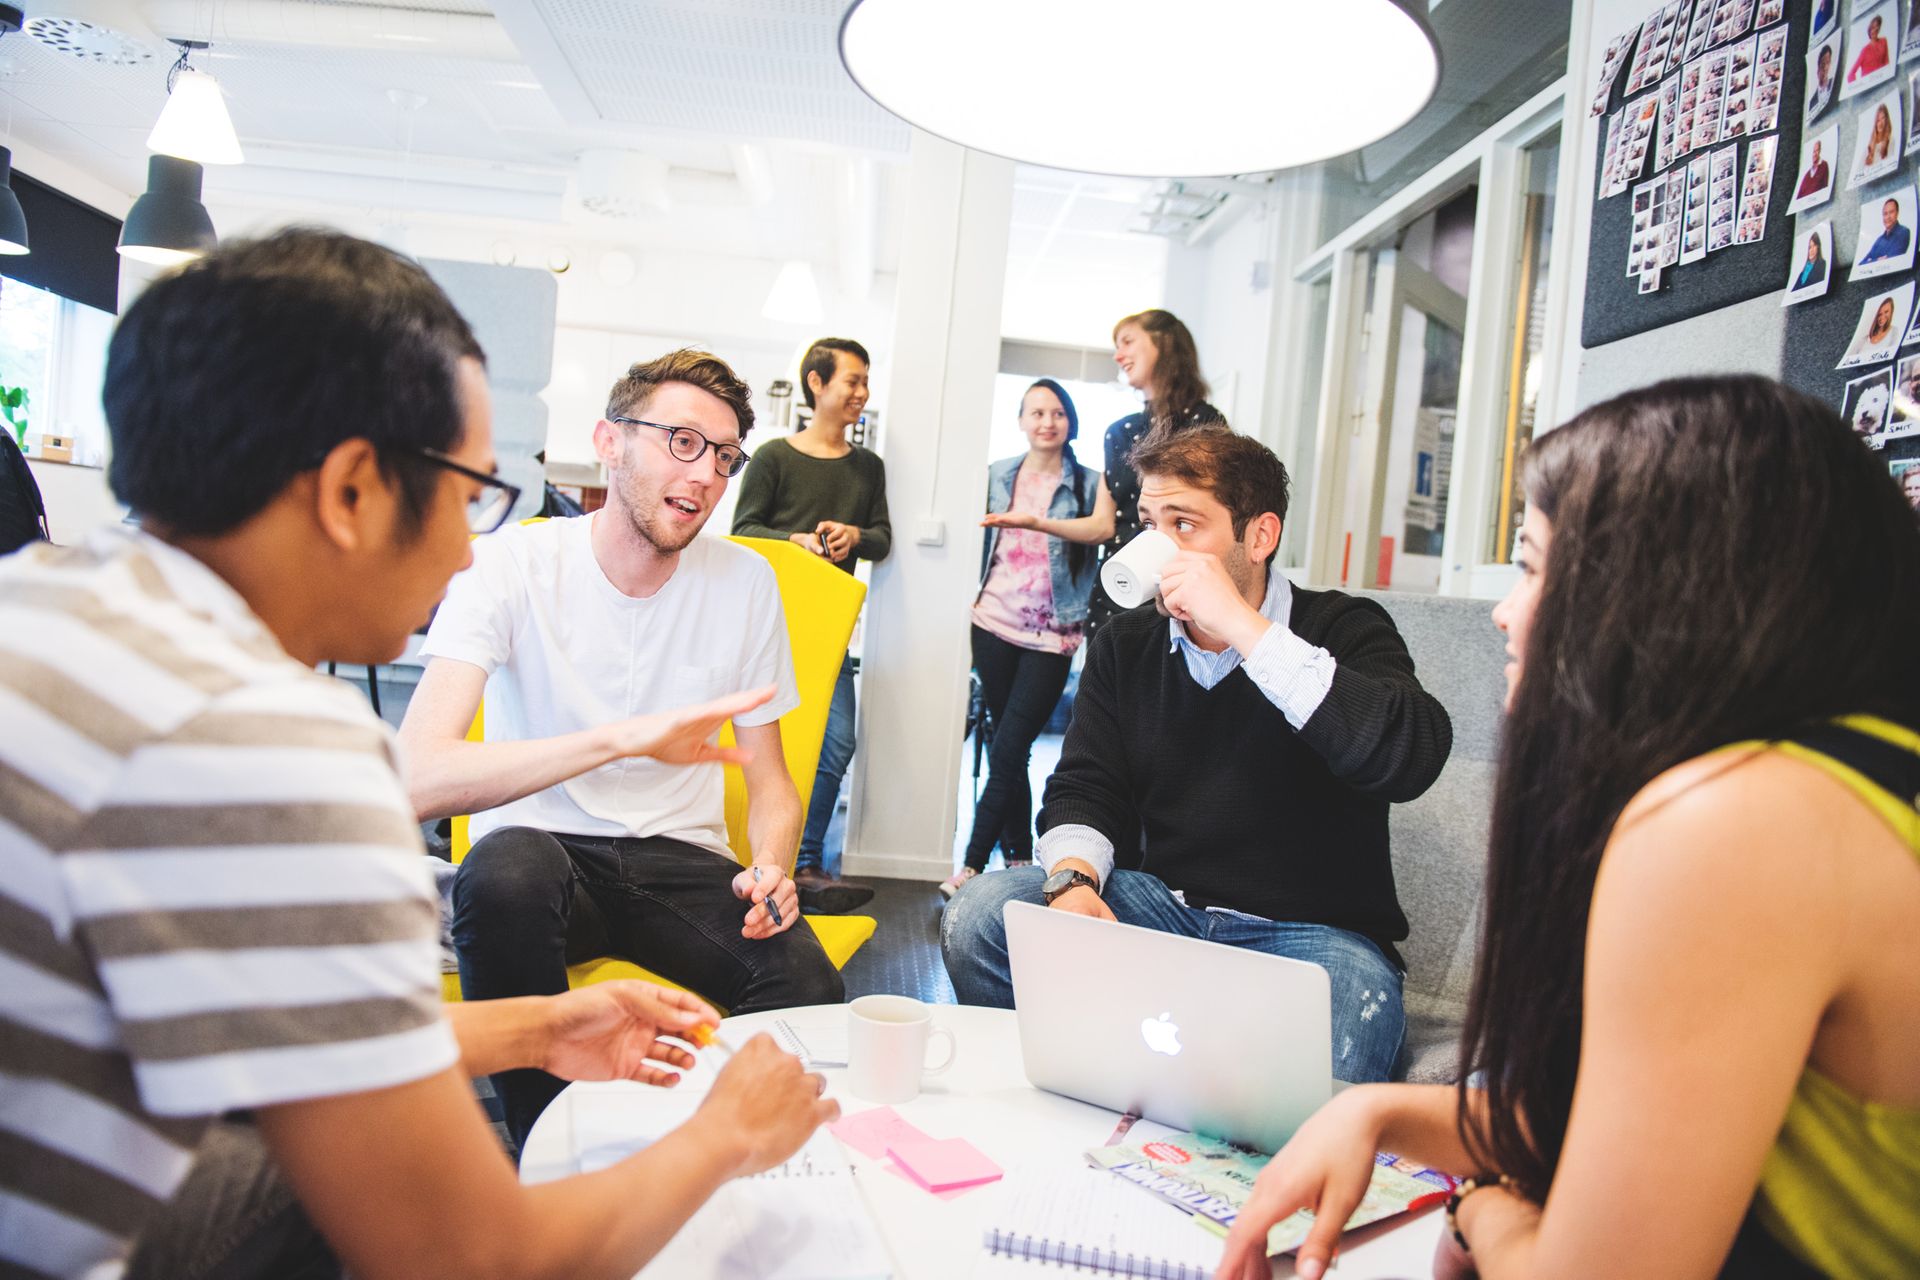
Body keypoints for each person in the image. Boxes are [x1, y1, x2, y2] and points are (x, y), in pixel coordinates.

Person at [0, 229, 837, 1280]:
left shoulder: (40, 605)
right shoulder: (280, 755)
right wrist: (728, 1134)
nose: (459, 551)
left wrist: (535, 1024)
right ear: (353, 488)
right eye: (464, 492)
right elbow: (476, 1255)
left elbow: (265, 1039)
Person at [1216, 376, 1920, 1280]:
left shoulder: (1734, 824)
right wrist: (1380, 1113)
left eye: (1533, 564)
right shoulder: (1843, 774)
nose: (1507, 612)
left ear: (1661, 590)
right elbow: (1649, 1111)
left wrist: (1481, 1213)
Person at [402, 348, 846, 1152]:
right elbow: (416, 776)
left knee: (808, 983)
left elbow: (771, 781)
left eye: (724, 456)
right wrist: (619, 740)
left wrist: (773, 864)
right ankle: (544, 1151)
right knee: (503, 875)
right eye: (682, 441)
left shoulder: (744, 583)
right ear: (610, 442)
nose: (707, 473)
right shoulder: (514, 562)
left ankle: (727, 1154)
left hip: (679, 858)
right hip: (546, 856)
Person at [942, 429, 1453, 1085]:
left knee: (1357, 1007)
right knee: (980, 918)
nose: (1157, 548)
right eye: (1151, 524)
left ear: (1260, 537)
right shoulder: (1128, 646)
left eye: (1185, 525)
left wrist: (1244, 628)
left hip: (1315, 938)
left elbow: (1410, 755)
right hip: (1167, 911)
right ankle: (1090, 1091)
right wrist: (1072, 882)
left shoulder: (1343, 628)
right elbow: (1085, 785)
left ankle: (1244, 1166)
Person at [729, 337, 890, 913]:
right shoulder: (773, 457)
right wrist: (795, 541)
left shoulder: (868, 467)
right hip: (767, 628)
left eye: (866, 381)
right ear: (817, 383)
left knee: (836, 741)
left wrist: (857, 537)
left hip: (830, 633)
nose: (862, 392)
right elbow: (743, 531)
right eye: (852, 380)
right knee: (768, 747)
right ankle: (765, 863)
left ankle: (804, 863)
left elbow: (882, 537)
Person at [943, 379, 1114, 898]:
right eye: (1036, 412)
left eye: (1057, 412)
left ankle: (971, 866)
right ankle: (1017, 852)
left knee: (1012, 743)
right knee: (1004, 746)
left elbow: (1103, 531)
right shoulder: (997, 475)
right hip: (992, 621)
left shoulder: (1089, 482)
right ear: (1020, 420)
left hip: (1053, 633)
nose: (1047, 421)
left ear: (1070, 421)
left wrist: (1036, 522)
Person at [1087, 309, 1225, 636]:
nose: (1118, 356)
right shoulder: (1118, 432)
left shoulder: (1205, 424)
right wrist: (1033, 523)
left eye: (1128, 341)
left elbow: (1212, 514)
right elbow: (1102, 523)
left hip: (1176, 593)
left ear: (1163, 342)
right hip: (1115, 590)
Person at [1860, 196, 1911, 264]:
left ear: (1897, 213)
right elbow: (1862, 263)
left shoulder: (1904, 232)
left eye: (1891, 212)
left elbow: (1892, 260)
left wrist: (1872, 261)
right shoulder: (1879, 240)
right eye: (1885, 214)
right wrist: (1878, 260)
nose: (1888, 217)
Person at [1849, 15, 1890, 82]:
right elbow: (1851, 74)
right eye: (1873, 27)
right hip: (1869, 84)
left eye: (1877, 27)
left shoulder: (1883, 41)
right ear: (1869, 30)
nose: (1876, 29)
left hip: (1882, 80)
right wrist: (1858, 87)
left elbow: (1886, 62)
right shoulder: (1865, 50)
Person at [1864, 103, 1894, 168]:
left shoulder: (1891, 141)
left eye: (1883, 118)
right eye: (1878, 120)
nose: (1880, 123)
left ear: (1886, 120)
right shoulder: (1869, 148)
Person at [1809, 44, 1836, 116]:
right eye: (1823, 63)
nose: (1825, 67)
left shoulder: (1835, 83)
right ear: (1818, 68)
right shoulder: (1811, 103)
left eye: (1828, 62)